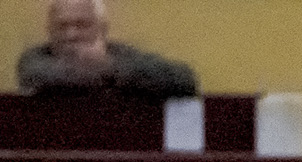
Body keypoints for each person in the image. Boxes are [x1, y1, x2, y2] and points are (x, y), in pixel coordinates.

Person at [16, 0, 197, 100]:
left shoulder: (121, 55)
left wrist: (107, 65)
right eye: (62, 26)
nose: (71, 34)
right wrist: (104, 70)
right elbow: (39, 77)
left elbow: (183, 79)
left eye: (82, 25)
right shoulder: (34, 58)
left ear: (102, 29)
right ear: (49, 30)